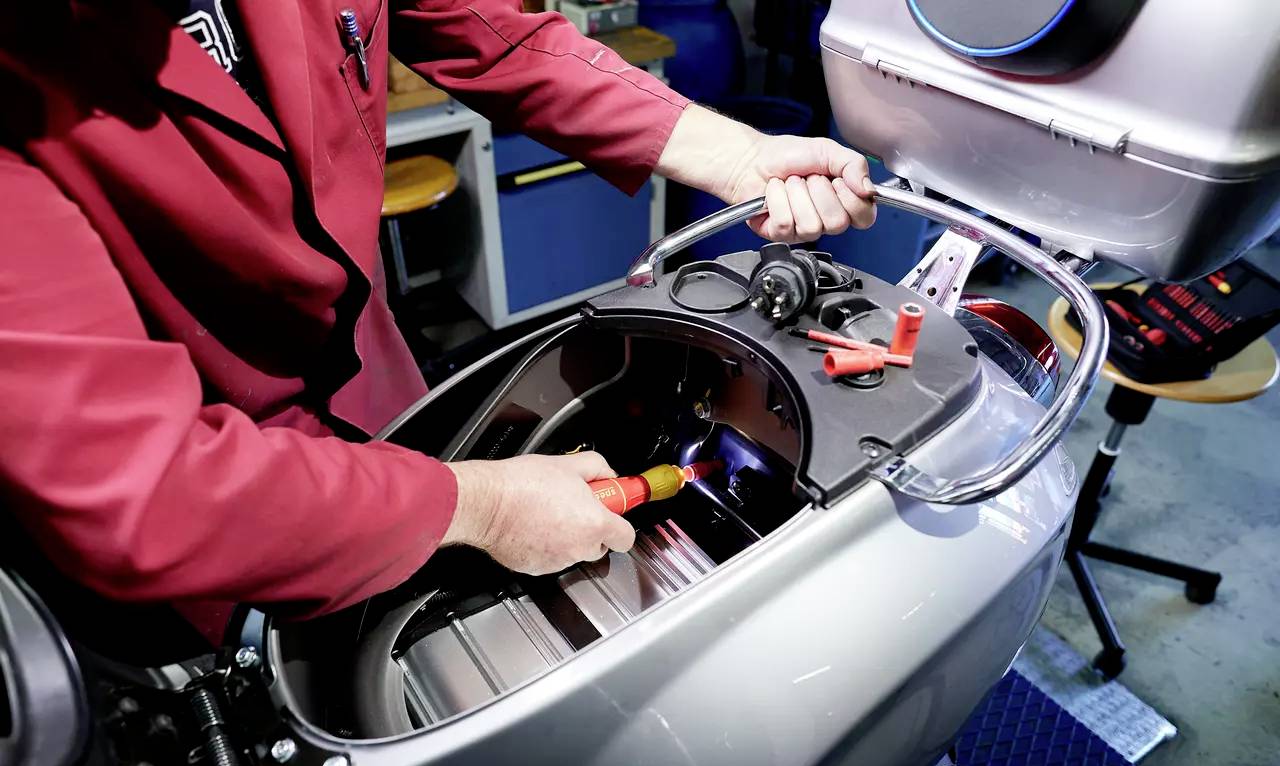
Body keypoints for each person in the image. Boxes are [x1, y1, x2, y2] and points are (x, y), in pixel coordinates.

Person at [0, 1, 875, 641]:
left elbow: (488, 31)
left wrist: (741, 155)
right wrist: (482, 508)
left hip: (367, 366)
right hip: (208, 481)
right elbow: (143, 489)